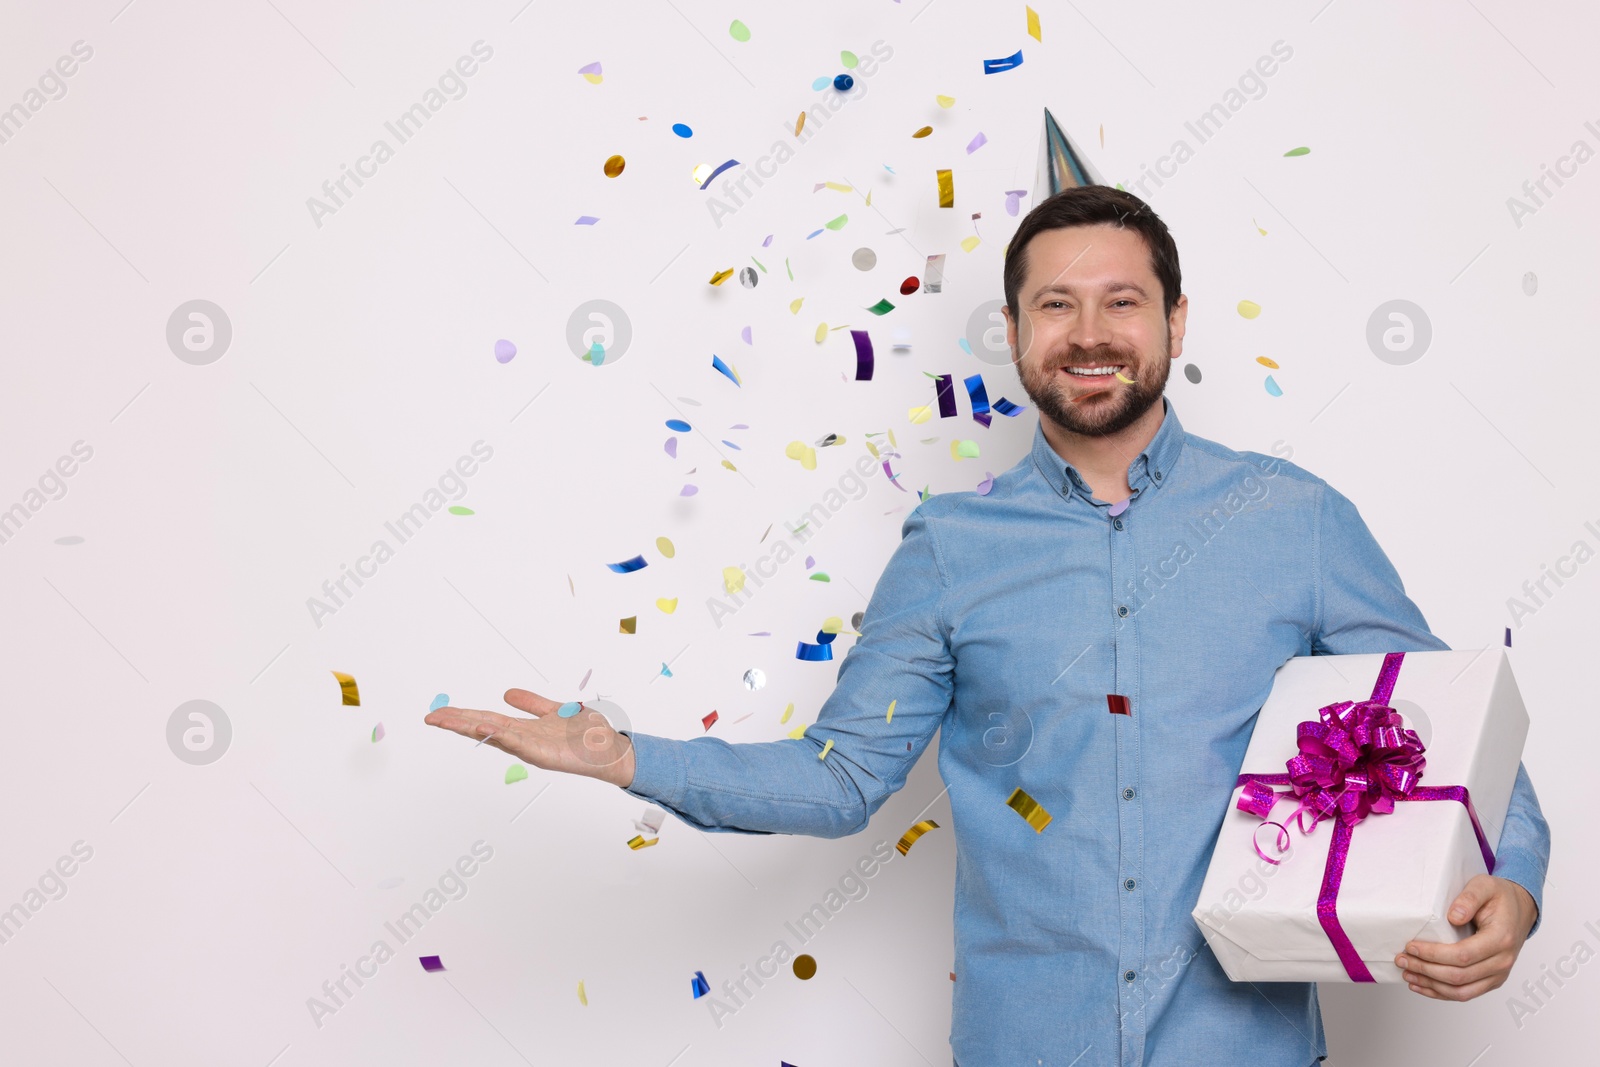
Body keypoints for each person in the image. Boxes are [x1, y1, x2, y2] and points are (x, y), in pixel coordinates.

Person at [426, 186, 1550, 1067]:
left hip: (1242, 1044)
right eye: (1054, 304)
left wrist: (1516, 886)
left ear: (1174, 319)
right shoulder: (950, 545)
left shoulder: (1293, 518)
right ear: (1013, 330)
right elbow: (840, 777)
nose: (1089, 331)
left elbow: (1448, 732)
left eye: (1121, 299)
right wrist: (626, 755)